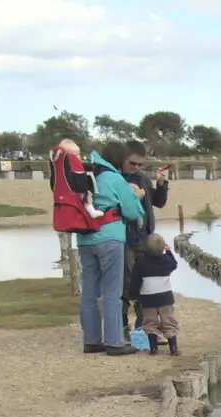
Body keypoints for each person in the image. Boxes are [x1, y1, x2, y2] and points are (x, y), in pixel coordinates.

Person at [75, 141, 144, 355]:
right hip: (110, 238)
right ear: (120, 159)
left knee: (89, 290)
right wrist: (137, 197)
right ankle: (114, 342)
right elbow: (132, 213)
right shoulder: (115, 178)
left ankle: (92, 340)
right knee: (112, 290)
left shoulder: (88, 175)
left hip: (85, 239)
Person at [119, 141, 170, 338]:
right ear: (123, 159)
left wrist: (161, 183)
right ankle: (122, 329)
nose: (137, 168)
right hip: (125, 238)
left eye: (141, 164)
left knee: (146, 285)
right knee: (125, 285)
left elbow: (158, 202)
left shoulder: (142, 177)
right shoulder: (115, 179)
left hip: (145, 238)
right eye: (133, 163)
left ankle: (145, 329)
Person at [131, 233, 179, 356]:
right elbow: (174, 264)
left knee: (150, 323)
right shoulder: (167, 261)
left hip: (148, 299)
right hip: (165, 298)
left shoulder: (141, 263)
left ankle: (153, 348)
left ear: (145, 249)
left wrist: (133, 296)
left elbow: (135, 281)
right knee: (168, 321)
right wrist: (169, 252)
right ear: (163, 248)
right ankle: (173, 348)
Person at [51, 140, 105, 219]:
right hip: (78, 193)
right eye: (74, 155)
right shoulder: (75, 166)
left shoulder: (58, 169)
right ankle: (91, 211)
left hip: (64, 198)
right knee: (87, 195)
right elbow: (80, 183)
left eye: (78, 154)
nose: (78, 157)